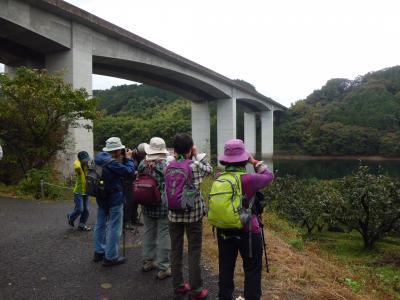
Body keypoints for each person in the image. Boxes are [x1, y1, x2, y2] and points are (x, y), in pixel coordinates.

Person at [215, 139, 274, 300]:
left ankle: (225, 297)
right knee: (252, 270)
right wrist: (254, 161)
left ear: (225, 159)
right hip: (248, 231)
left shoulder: (219, 177)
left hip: (224, 230)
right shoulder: (250, 179)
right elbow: (269, 175)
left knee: (226, 267)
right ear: (243, 159)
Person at [166, 133, 212, 299]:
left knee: (176, 250)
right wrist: (196, 155)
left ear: (175, 149)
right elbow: (210, 170)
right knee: (194, 250)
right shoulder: (195, 165)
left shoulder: (169, 164)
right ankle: (196, 290)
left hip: (173, 214)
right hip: (193, 214)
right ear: (190, 148)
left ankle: (178, 286)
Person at [93, 137, 135, 266]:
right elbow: (129, 172)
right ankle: (111, 257)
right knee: (114, 227)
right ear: (117, 151)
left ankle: (99, 251)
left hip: (100, 196)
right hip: (114, 198)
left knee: (100, 224)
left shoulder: (98, 157)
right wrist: (128, 158)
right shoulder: (113, 163)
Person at [139, 137, 171, 280]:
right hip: (162, 205)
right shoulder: (166, 165)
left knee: (148, 232)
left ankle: (148, 262)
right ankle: (164, 267)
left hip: (146, 204)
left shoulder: (142, 164)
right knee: (164, 234)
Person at [123, 143, 148, 229]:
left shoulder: (140, 157)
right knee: (128, 202)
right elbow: (125, 170)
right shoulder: (128, 157)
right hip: (127, 182)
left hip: (136, 182)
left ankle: (134, 218)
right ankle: (126, 221)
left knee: (135, 201)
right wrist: (135, 172)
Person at [67, 151, 91, 231]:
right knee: (80, 209)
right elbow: (76, 165)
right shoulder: (78, 166)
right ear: (80, 160)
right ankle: (71, 216)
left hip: (86, 191)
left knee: (86, 210)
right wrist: (82, 164)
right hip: (78, 191)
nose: (86, 161)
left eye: (87, 159)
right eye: (85, 160)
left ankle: (82, 225)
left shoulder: (88, 165)